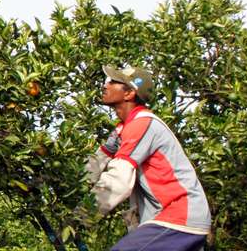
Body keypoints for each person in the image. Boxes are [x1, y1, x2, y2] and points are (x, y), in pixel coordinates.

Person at [86, 65, 212, 250]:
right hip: (171, 220)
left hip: (178, 217)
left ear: (129, 93)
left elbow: (118, 181)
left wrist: (83, 217)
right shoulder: (123, 129)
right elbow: (92, 168)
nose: (106, 85)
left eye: (113, 82)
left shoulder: (143, 124)